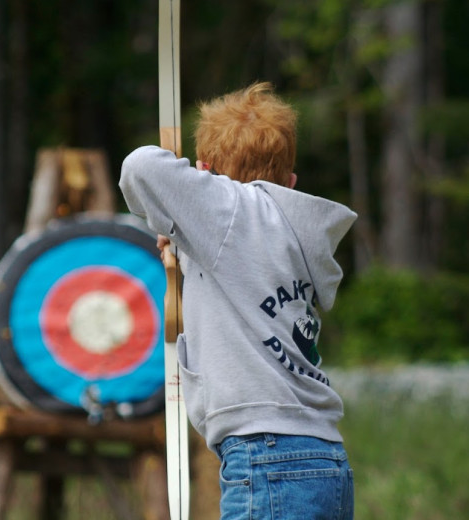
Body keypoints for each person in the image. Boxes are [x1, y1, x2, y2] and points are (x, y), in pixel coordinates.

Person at [119, 82, 357, 520]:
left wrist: (194, 192)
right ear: (290, 182)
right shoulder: (294, 231)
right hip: (326, 460)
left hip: (268, 457)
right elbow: (241, 273)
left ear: (207, 171)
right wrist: (184, 236)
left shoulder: (228, 210)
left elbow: (139, 167)